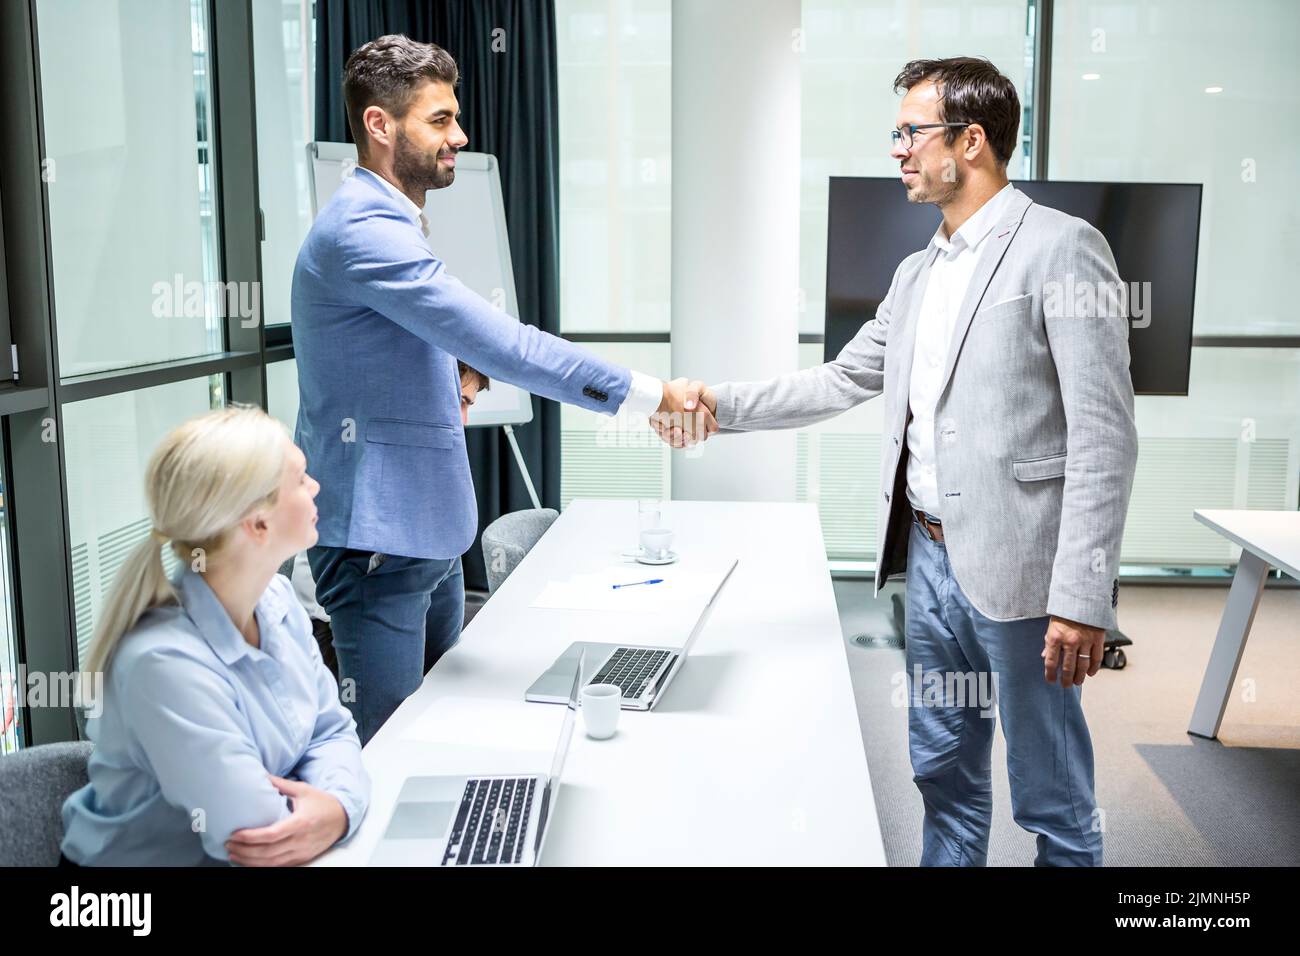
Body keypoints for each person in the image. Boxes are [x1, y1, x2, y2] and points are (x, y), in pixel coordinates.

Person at [659, 57, 1138, 866]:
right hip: (928, 561)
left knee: (1052, 796)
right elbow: (843, 378)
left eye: (911, 132)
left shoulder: (1062, 249)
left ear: (972, 141)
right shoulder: (917, 272)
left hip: (1025, 580)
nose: (898, 150)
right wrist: (717, 404)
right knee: (942, 775)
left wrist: (1083, 597)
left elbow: (1104, 437)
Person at [292, 34, 707, 745]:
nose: (460, 135)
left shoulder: (392, 221)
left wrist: (455, 369)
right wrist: (652, 395)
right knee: (389, 745)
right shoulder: (362, 230)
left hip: (424, 533)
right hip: (377, 544)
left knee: (442, 724)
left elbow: (409, 341)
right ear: (380, 125)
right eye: (440, 119)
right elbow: (508, 344)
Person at [61, 406, 369, 866]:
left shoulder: (278, 599)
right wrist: (335, 804)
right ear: (258, 523)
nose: (316, 487)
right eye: (302, 479)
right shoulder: (162, 663)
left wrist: (338, 807)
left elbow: (331, 733)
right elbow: (257, 836)